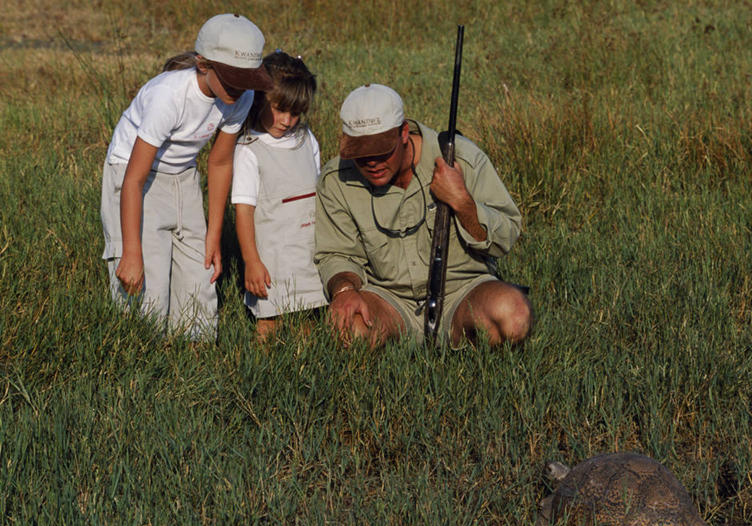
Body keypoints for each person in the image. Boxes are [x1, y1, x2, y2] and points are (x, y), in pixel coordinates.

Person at [314, 83, 532, 348]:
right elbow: (336, 254)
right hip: (387, 299)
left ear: (404, 132)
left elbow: (506, 237)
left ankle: (469, 353)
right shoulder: (336, 179)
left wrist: (463, 202)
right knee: (348, 329)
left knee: (515, 316)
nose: (371, 162)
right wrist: (344, 291)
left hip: (462, 292)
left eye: (382, 150)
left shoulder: (459, 156)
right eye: (361, 154)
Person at [100, 14, 273, 340]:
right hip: (134, 177)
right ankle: (138, 352)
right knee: (145, 284)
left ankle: (192, 356)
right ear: (203, 64)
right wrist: (131, 252)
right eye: (232, 79)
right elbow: (134, 179)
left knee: (201, 273)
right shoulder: (169, 96)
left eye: (246, 80)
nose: (239, 89)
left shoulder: (242, 96)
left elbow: (220, 163)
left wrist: (213, 234)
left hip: (183, 176)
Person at [231, 50, 326, 342]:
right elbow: (244, 212)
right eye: (280, 109)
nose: (287, 120)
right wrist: (251, 261)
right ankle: (259, 377)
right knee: (269, 325)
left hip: (308, 250)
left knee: (308, 321)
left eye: (296, 113)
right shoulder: (249, 150)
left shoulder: (306, 139)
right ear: (261, 99)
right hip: (271, 257)